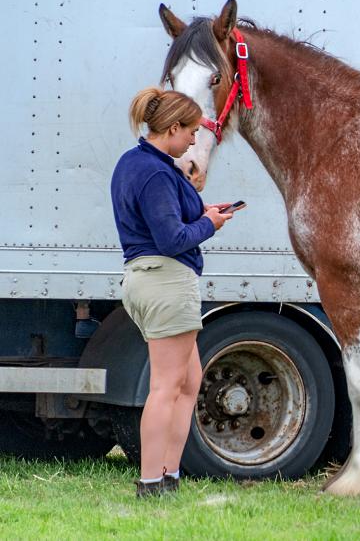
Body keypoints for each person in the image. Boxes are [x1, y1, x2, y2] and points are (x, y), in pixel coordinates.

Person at [111, 87, 234, 498]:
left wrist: (203, 211)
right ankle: (152, 482)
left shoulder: (134, 163)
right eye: (192, 131)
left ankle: (169, 475)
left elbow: (164, 220)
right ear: (173, 128)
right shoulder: (158, 173)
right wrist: (209, 225)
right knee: (166, 386)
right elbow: (171, 238)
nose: (195, 140)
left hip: (144, 279)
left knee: (188, 381)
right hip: (166, 280)